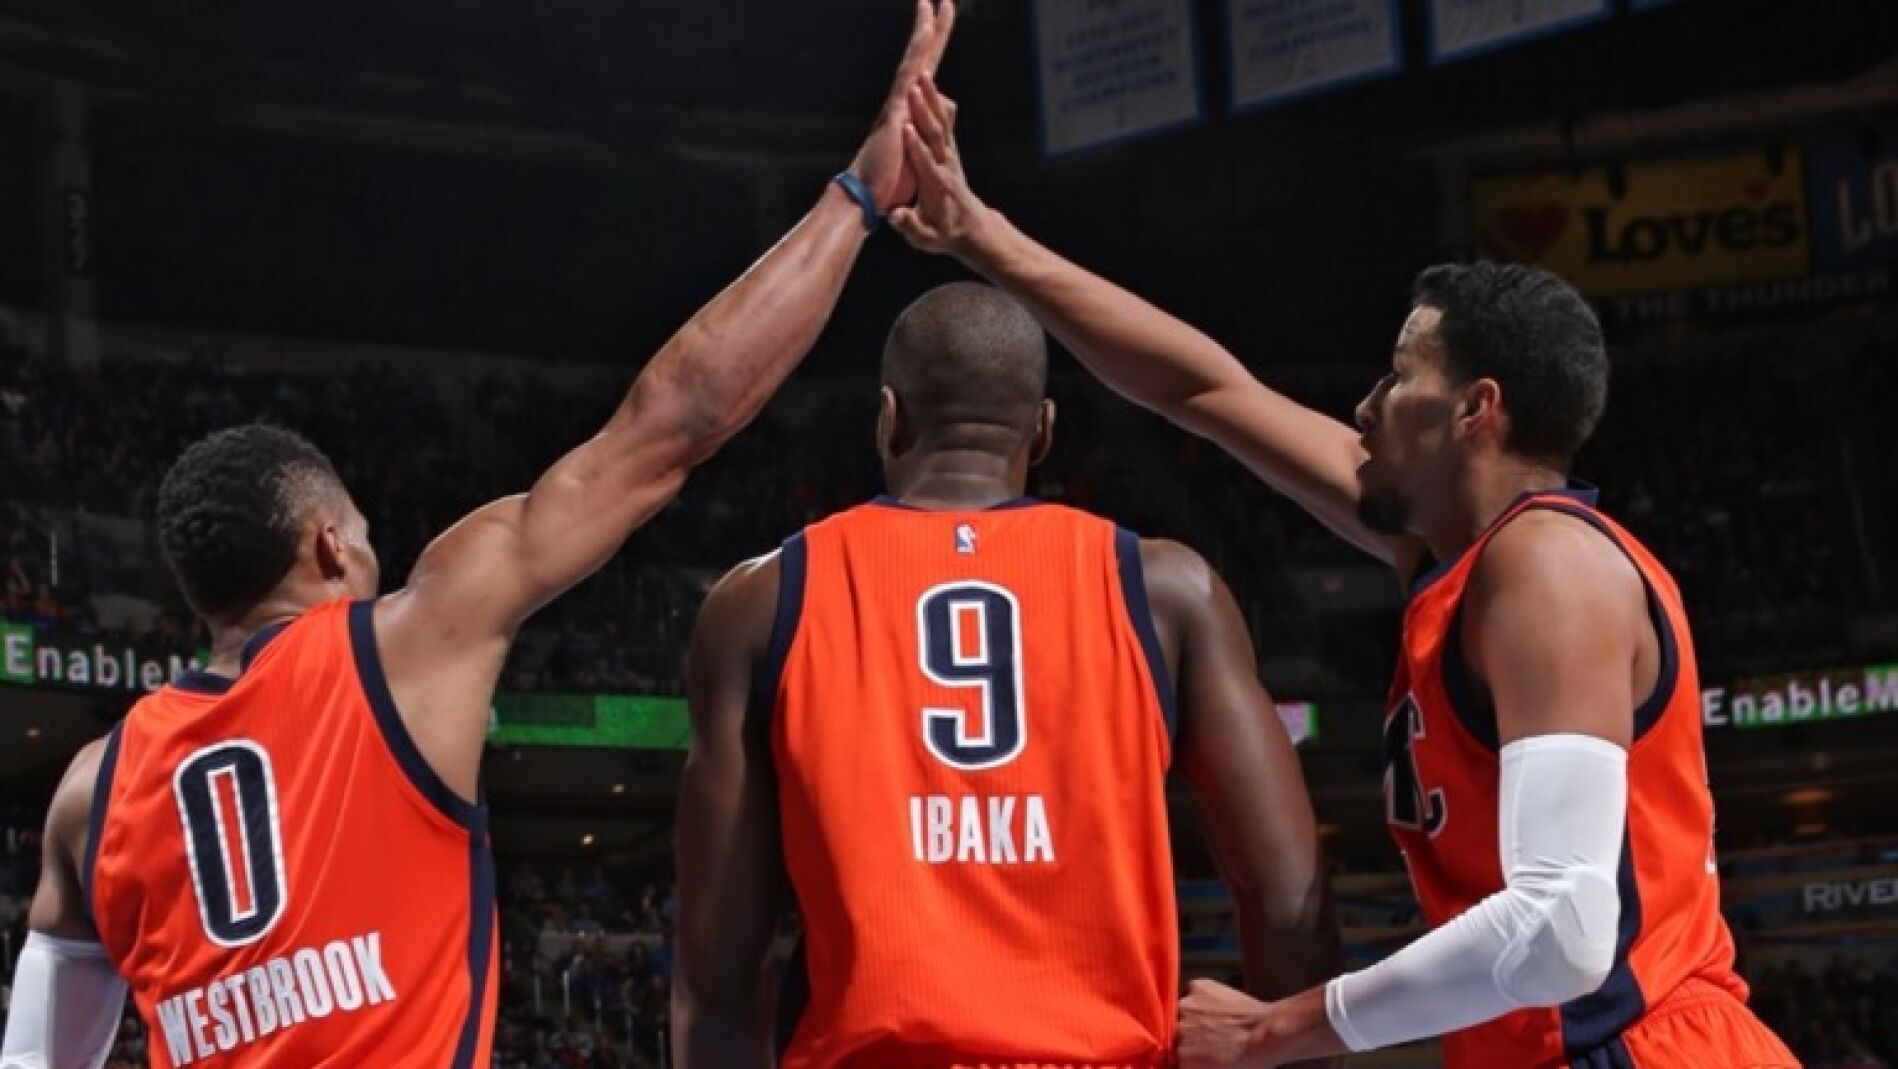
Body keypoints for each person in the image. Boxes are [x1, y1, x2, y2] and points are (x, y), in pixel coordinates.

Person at [0, 5, 957, 1065]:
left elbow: (37, 1059)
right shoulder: (404, 645)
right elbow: (671, 421)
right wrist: (860, 195)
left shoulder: (92, 790)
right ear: (327, 545)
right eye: (364, 537)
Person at [889, 78, 1795, 1069]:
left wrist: (1279, 1025)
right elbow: (1203, 388)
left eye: (1398, 375)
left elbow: (1563, 923)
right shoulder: (1457, 560)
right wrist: (980, 236)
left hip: (1637, 1047)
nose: (1364, 403)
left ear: (1470, 410)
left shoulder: (1549, 566)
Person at [672, 281, 1338, 1069]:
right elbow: (1291, 908)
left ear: (890, 418)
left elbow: (716, 980)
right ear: (1045, 428)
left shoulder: (763, 599)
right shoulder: (1167, 590)